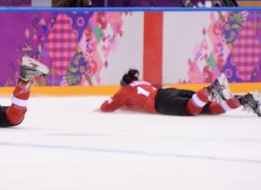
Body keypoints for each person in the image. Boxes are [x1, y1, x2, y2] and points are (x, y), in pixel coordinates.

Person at [100, 69, 261, 117]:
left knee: (191, 109)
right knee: (211, 108)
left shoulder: (126, 90)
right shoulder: (144, 83)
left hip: (160, 102)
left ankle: (212, 89)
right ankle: (244, 100)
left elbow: (107, 107)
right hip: (168, 92)